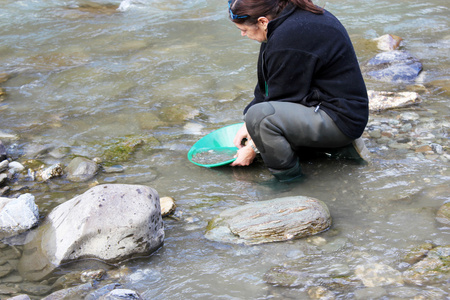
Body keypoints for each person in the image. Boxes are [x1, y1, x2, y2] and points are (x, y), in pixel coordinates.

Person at [227, 0, 370, 182]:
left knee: (261, 118)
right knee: (254, 117)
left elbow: (280, 101)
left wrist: (252, 148)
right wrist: (246, 124)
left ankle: (289, 181)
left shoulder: (289, 38)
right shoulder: (289, 19)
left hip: (341, 119)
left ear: (263, 21)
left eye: (244, 30)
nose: (242, 34)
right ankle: (337, 150)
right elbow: (270, 84)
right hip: (338, 107)